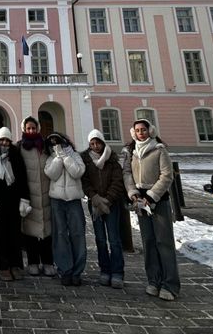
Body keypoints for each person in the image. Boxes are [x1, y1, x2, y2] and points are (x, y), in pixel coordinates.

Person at [122, 119, 180, 301]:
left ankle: (170, 285)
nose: (141, 133)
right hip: (140, 201)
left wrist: (152, 196)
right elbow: (127, 174)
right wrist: (133, 193)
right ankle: (153, 281)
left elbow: (167, 175)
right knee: (148, 241)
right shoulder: (131, 151)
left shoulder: (159, 149)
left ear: (150, 131)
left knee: (164, 242)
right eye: (138, 130)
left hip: (158, 200)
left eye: (144, 130)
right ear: (134, 133)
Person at [0, 127, 30, 281]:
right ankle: (3, 266)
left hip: (14, 200)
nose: (4, 143)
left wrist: (24, 199)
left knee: (15, 234)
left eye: (7, 140)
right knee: (0, 234)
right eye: (2, 140)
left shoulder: (16, 156)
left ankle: (15, 265)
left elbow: (22, 179)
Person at [81, 129, 126, 288]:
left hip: (111, 204)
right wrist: (95, 198)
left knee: (114, 239)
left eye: (97, 143)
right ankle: (105, 270)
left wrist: (107, 200)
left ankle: (117, 272)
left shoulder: (112, 159)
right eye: (92, 143)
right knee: (100, 239)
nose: (95, 146)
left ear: (102, 142)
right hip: (94, 204)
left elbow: (118, 181)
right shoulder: (86, 160)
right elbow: (85, 182)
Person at [44, 131, 86, 286]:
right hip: (57, 200)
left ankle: (77, 271)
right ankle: (65, 269)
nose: (56, 145)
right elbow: (52, 175)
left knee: (78, 234)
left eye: (58, 142)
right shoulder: (51, 158)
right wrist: (58, 158)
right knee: (60, 234)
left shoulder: (75, 156)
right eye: (53, 143)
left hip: (74, 201)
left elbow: (77, 172)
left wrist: (65, 157)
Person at [17, 116, 55, 277]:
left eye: (33, 128)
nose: (31, 131)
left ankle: (48, 262)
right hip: (29, 194)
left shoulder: (45, 146)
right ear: (24, 129)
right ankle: (33, 261)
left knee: (47, 230)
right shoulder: (20, 147)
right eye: (28, 128)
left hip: (46, 192)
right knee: (29, 230)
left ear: (38, 128)